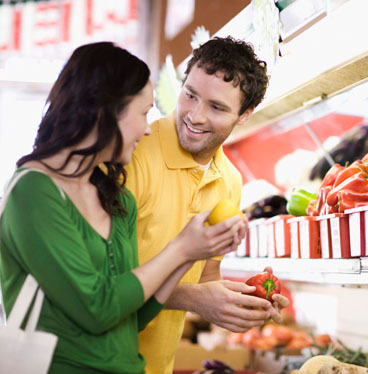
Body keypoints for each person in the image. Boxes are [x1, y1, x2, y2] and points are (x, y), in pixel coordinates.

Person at [0, 42, 244, 374]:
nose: (148, 128)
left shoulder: (115, 198)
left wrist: (192, 251)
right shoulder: (32, 192)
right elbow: (97, 308)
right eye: (143, 113)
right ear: (105, 112)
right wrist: (181, 248)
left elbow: (134, 315)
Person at [124, 36, 290, 374]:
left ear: (244, 114)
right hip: (98, 361)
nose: (195, 116)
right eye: (190, 95)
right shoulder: (133, 154)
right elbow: (100, 284)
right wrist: (194, 299)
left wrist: (242, 301)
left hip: (157, 366)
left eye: (216, 107)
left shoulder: (229, 180)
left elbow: (205, 276)